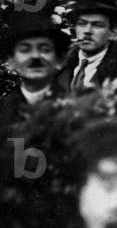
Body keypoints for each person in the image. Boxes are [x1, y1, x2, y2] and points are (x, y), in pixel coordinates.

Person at [0, 11, 68, 142]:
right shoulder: (5, 106)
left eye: (44, 49)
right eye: (25, 50)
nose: (35, 57)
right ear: (12, 62)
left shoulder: (74, 108)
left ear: (58, 60)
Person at [57, 0, 117, 96]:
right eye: (82, 24)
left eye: (97, 25)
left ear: (113, 33)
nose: (87, 30)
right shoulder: (59, 65)